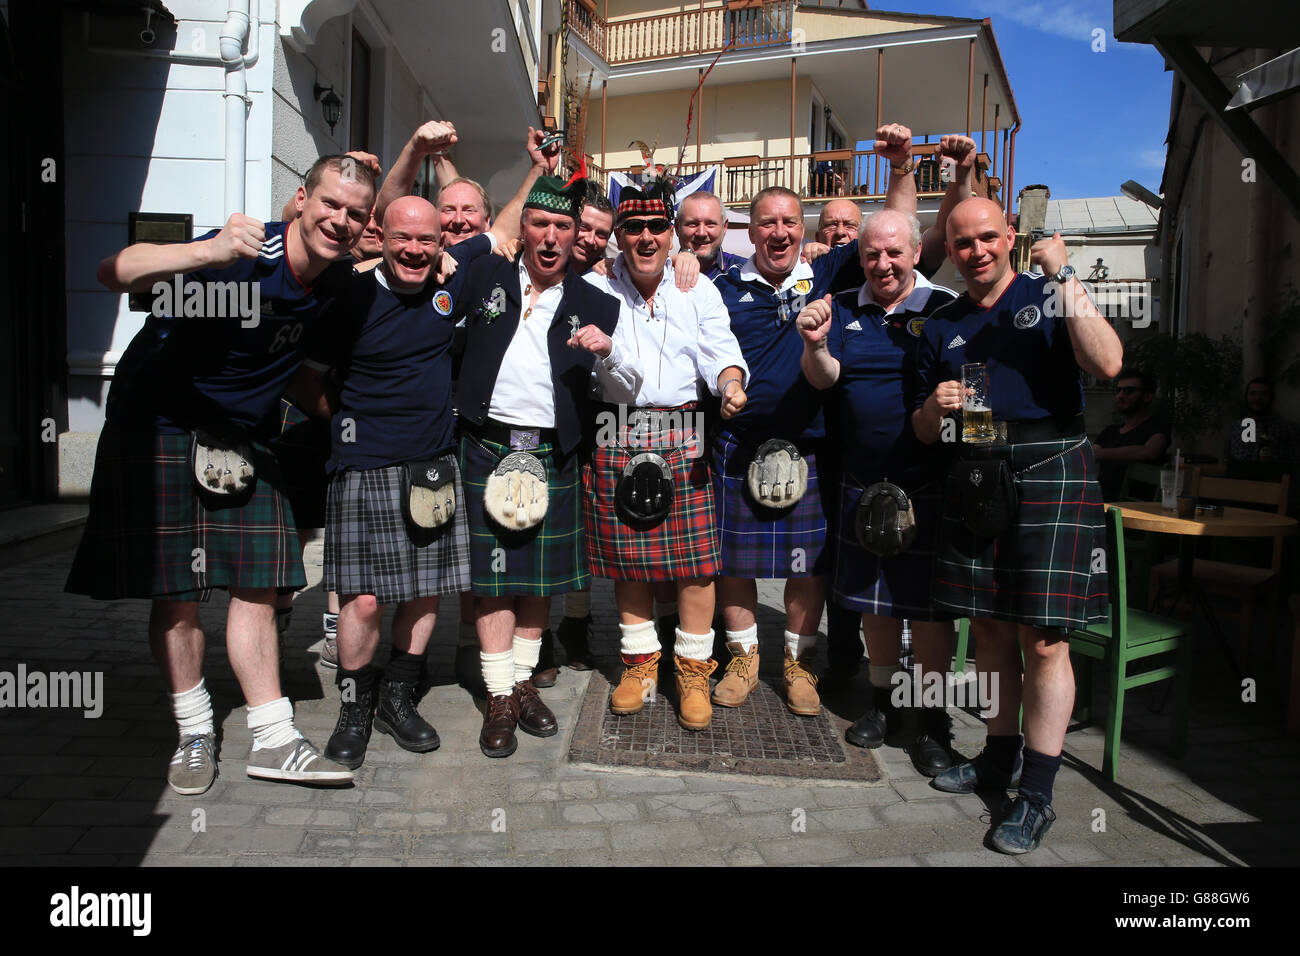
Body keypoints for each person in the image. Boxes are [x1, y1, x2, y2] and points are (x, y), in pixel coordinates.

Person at [67, 154, 378, 794]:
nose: (340, 221)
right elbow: (113, 271)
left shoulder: (340, 287)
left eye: (354, 213)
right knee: (177, 589)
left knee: (260, 582)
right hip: (158, 422)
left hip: (244, 431)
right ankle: (194, 729)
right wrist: (204, 253)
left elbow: (304, 370)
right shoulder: (242, 255)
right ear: (300, 200)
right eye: (329, 205)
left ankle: (272, 737)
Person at [913, 197, 1122, 854]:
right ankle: (997, 757)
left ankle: (1036, 793)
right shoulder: (942, 322)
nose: (976, 252)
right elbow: (928, 431)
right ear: (949, 247)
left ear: (1011, 237)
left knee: (1046, 643)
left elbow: (1109, 363)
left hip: (1053, 464)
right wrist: (934, 406)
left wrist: (1065, 275)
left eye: (986, 238)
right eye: (962, 242)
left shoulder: (1048, 295)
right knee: (994, 629)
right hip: (980, 468)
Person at [451, 168, 630, 758]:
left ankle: (522, 679)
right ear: (523, 227)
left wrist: (608, 356)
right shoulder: (486, 273)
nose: (551, 236)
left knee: (538, 580)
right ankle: (501, 694)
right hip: (487, 442)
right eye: (540, 223)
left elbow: (623, 387)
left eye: (562, 225)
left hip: (553, 451)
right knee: (495, 578)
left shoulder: (596, 302)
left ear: (577, 232)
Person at [798, 208, 961, 776]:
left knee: (933, 613)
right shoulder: (843, 307)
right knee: (877, 606)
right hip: (863, 479)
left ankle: (933, 720)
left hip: (931, 480)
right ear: (859, 256)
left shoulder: (946, 309)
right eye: (872, 254)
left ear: (917, 252)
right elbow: (825, 377)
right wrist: (816, 345)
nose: (883, 263)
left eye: (894, 253)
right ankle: (886, 703)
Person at [583, 178, 748, 730]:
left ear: (670, 231)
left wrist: (728, 384)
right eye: (634, 229)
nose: (647, 238)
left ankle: (694, 671)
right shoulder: (595, 288)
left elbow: (720, 349)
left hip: (683, 426)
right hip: (618, 425)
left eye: (657, 227)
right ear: (620, 237)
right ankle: (638, 665)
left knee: (696, 567)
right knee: (629, 561)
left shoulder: (696, 287)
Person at [708, 186, 864, 718]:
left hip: (810, 445)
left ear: (806, 230)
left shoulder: (828, 273)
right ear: (748, 232)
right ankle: (744, 660)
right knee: (733, 561)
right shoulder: (721, 286)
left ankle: (799, 664)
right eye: (768, 223)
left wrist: (902, 167)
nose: (780, 232)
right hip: (739, 445)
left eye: (791, 223)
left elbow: (906, 231)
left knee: (807, 567)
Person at [1093, 368, 1170, 499]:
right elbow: (1091, 454)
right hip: (1101, 503)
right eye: (1118, 391)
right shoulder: (1109, 431)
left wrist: (1102, 454)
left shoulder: (1156, 428)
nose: (1121, 396)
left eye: (1129, 391)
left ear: (1148, 396)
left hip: (1137, 507)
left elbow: (1149, 452)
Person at [1227, 376, 1300, 464]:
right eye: (1253, 393)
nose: (1257, 398)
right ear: (1246, 396)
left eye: (1263, 394)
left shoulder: (1289, 429)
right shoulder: (1235, 428)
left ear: (1272, 397)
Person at [676, 191, 744, 279]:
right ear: (677, 227)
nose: (701, 233)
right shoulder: (661, 274)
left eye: (710, 224)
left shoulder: (745, 274)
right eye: (692, 224)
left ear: (724, 226)